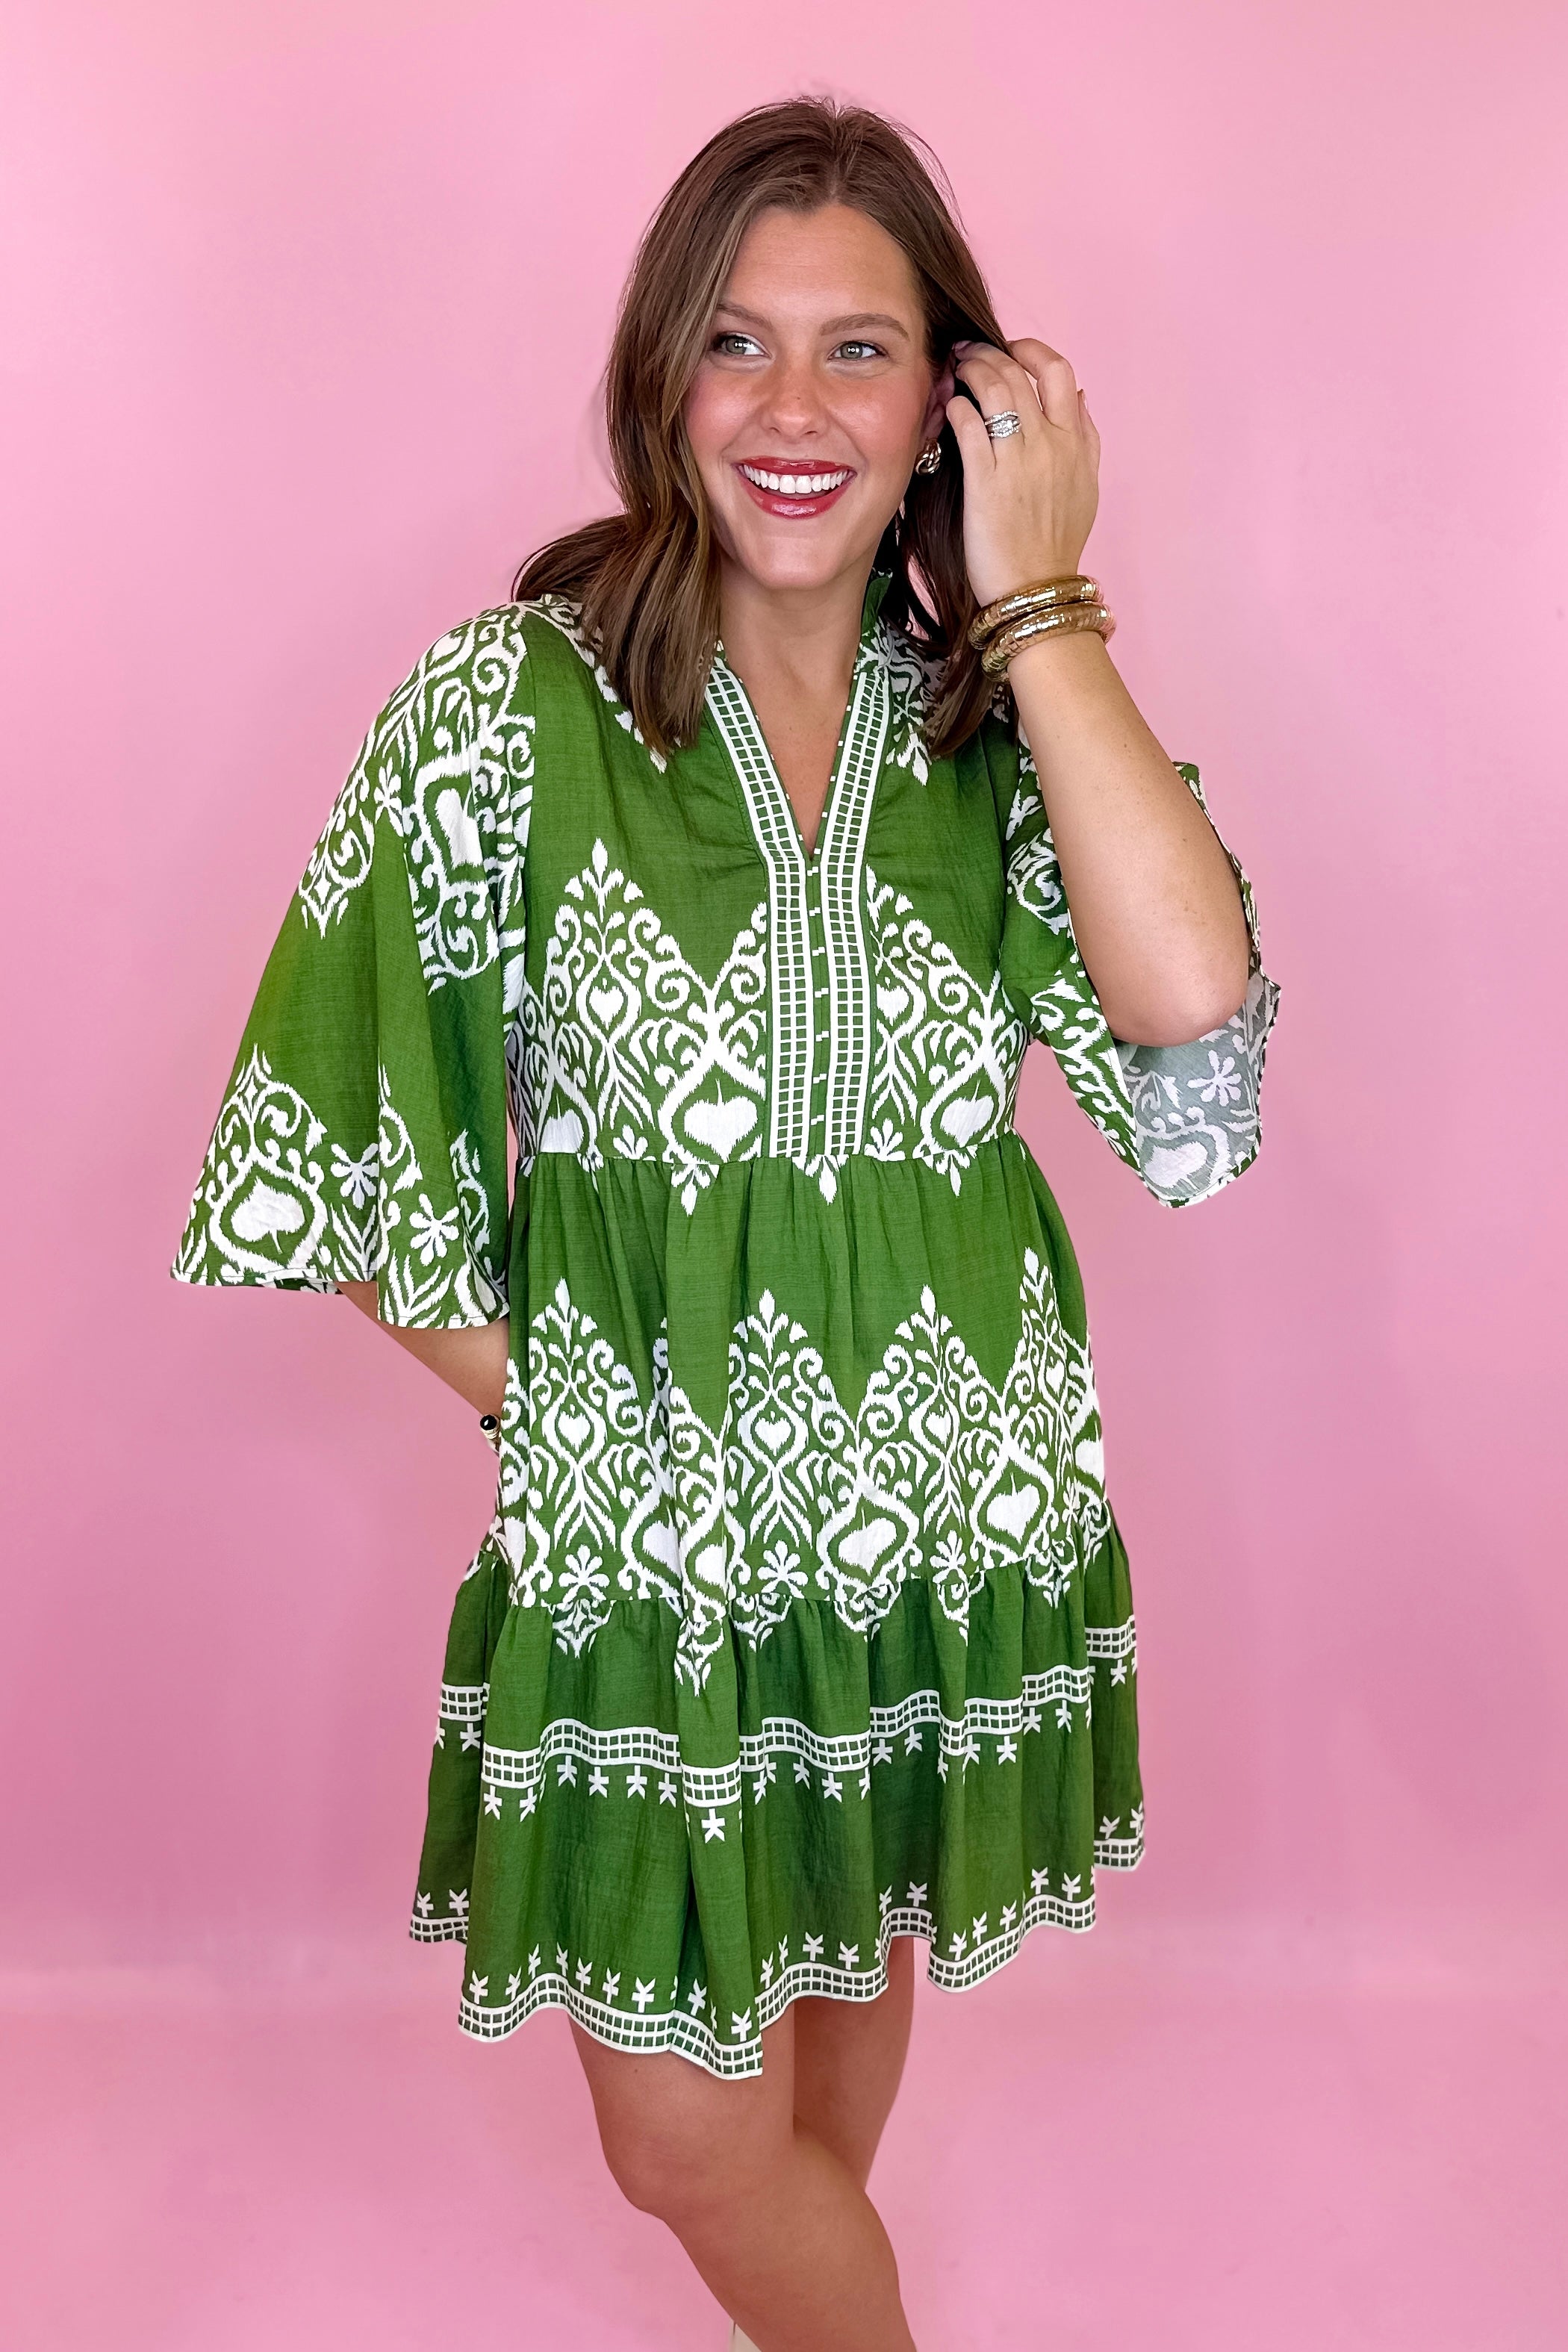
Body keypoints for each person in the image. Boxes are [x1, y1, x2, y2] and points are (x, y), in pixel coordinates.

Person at [174, 96, 1276, 2352]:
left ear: (953, 401)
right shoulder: (511, 710)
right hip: (650, 1568)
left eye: (859, 350)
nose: (792, 410)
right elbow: (328, 1144)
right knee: (688, 2145)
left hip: (935, 1539)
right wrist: (568, 1420)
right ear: (661, 374)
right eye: (737, 343)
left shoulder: (995, 729)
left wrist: (1040, 604)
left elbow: (1191, 1033)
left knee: (816, 2123)